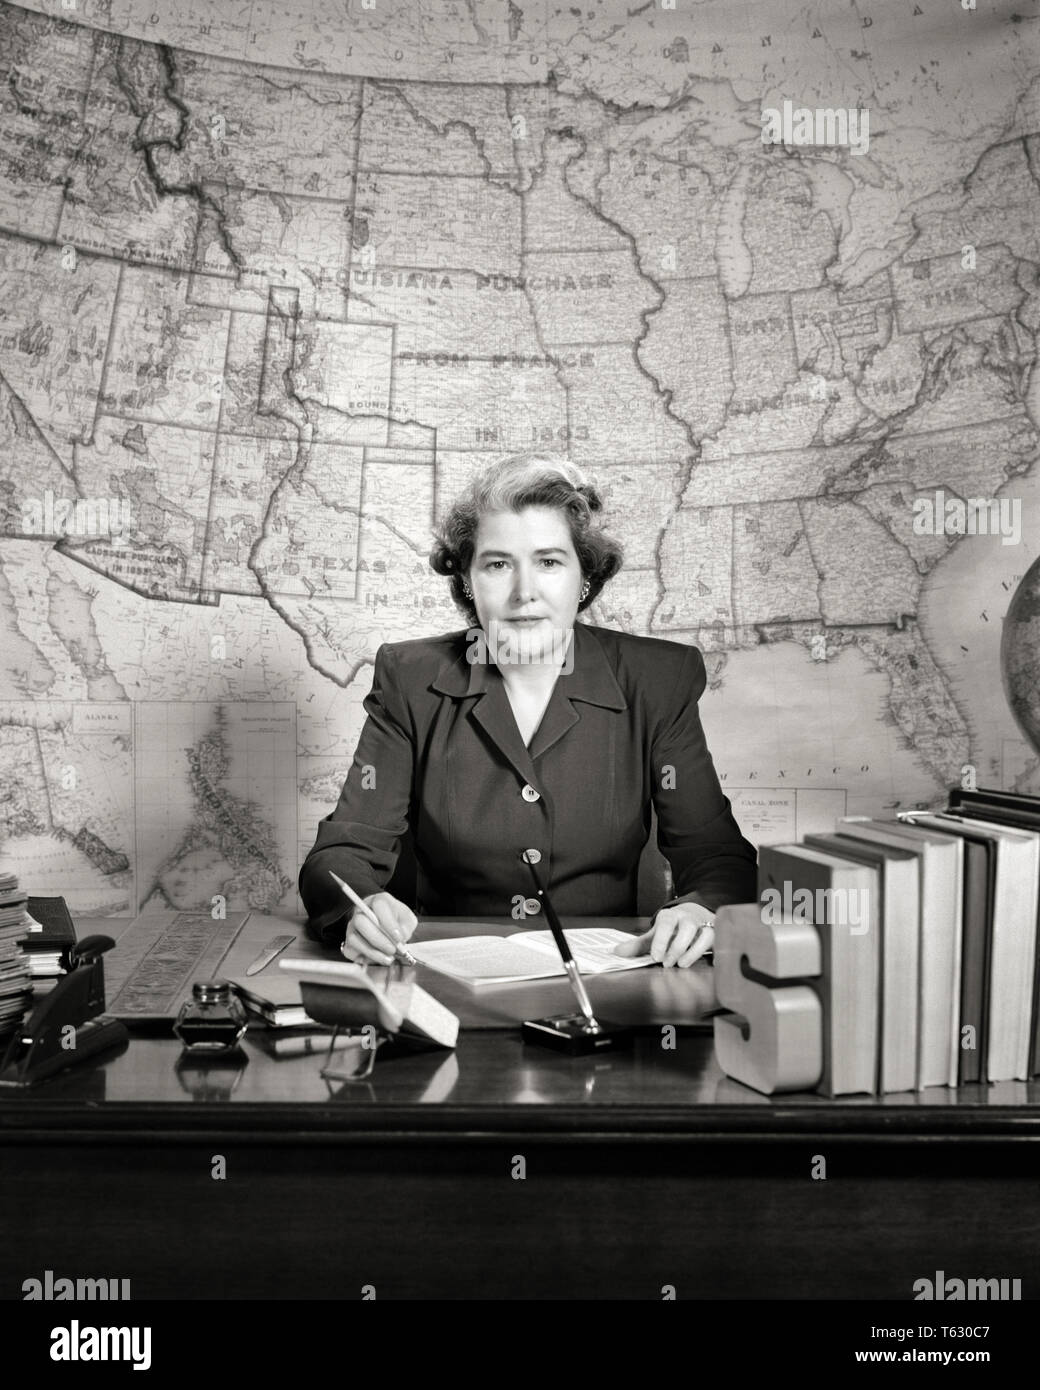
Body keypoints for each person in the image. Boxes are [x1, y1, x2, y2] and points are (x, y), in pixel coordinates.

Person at [299, 455, 757, 968]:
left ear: (585, 577)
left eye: (549, 561)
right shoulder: (409, 679)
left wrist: (700, 909)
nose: (524, 592)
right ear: (467, 581)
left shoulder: (657, 680)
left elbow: (718, 856)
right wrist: (358, 910)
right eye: (497, 564)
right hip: (447, 981)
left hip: (608, 983)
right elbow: (341, 854)